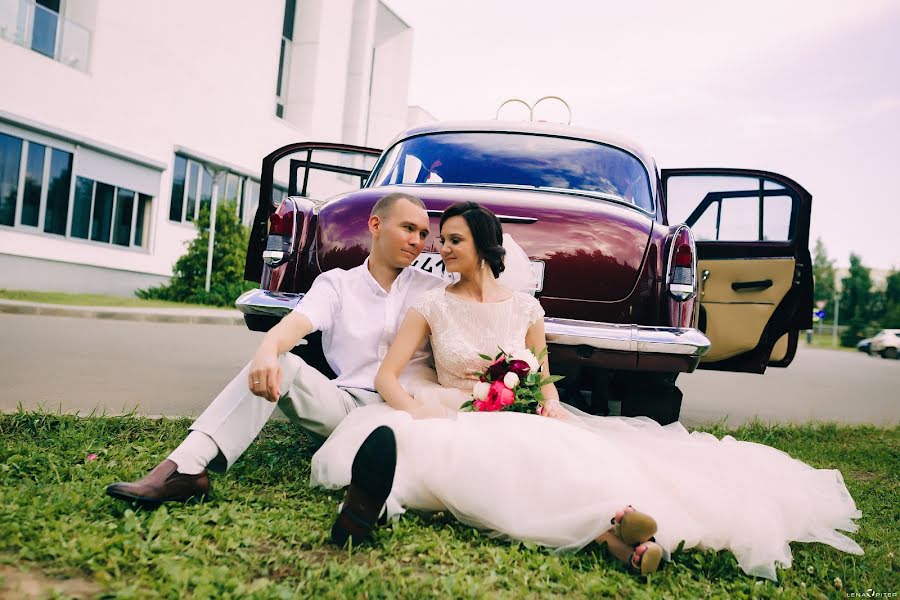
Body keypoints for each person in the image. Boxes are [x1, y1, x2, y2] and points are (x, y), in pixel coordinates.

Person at [310, 201, 863, 580]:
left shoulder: (527, 308)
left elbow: (544, 376)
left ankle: (621, 526)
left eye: (453, 241)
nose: (442, 250)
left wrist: (547, 404)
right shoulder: (430, 304)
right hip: (453, 412)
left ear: (482, 246)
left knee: (560, 453)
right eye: (440, 240)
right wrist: (418, 413)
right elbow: (388, 376)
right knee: (501, 464)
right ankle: (617, 533)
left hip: (520, 412)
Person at [105, 192, 445, 506]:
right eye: (408, 229)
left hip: (405, 412)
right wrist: (267, 351)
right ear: (376, 225)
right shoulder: (337, 284)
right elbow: (293, 326)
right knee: (281, 361)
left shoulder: (433, 289)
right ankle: (186, 468)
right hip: (343, 408)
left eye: (422, 233)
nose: (417, 241)